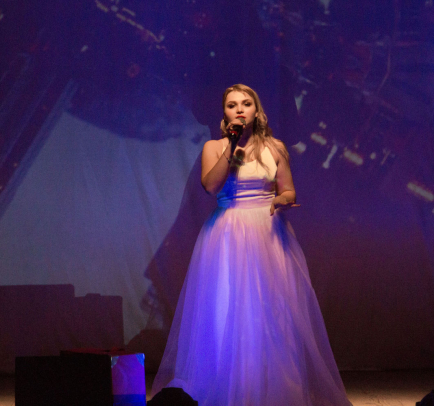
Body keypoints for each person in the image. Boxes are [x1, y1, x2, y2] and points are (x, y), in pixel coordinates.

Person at [151, 84, 352, 406]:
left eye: (246, 104)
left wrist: (283, 200)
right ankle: (226, 385)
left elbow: (288, 189)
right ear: (224, 113)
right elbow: (210, 185)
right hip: (228, 232)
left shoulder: (275, 147)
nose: (239, 110)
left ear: (256, 110)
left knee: (272, 312)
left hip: (268, 233)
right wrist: (231, 147)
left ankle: (274, 388)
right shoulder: (214, 147)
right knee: (226, 310)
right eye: (232, 105)